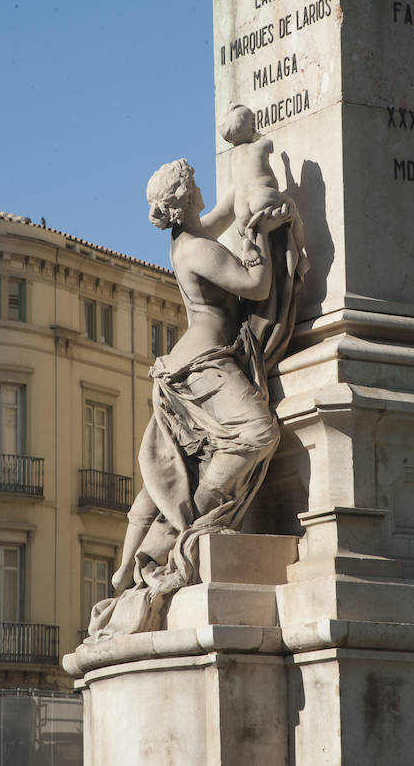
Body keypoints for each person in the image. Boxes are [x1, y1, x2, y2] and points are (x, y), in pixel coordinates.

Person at [87, 159, 289, 637]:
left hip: (188, 364)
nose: (201, 187)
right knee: (257, 431)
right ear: (183, 198)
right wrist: (260, 238)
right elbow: (256, 286)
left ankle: (124, 569)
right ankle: (189, 524)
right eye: (193, 183)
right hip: (204, 368)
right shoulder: (197, 250)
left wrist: (250, 175)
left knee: (179, 458)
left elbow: (223, 211)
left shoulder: (190, 238)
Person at [207, 103, 295, 265]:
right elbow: (270, 145)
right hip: (262, 195)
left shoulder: (232, 156)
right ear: (252, 126)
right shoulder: (260, 146)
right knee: (292, 209)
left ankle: (246, 243)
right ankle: (302, 258)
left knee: (246, 234)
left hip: (241, 207)